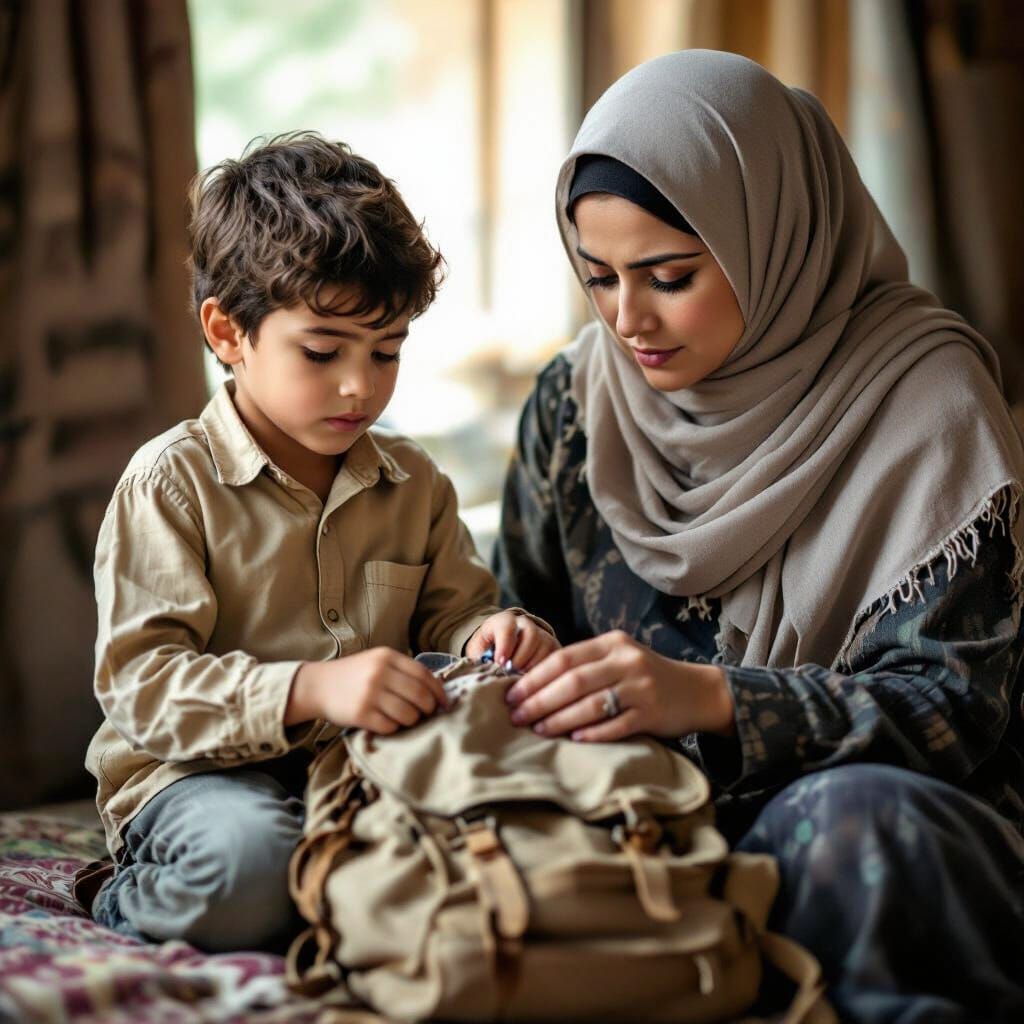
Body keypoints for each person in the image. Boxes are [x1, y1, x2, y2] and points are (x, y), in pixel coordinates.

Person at [493, 50, 1024, 1022]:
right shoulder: (578, 402)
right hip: (641, 808)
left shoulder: (927, 402)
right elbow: (510, 602)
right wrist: (509, 645)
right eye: (597, 276)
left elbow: (954, 713)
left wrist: (710, 700)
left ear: (769, 237)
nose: (626, 319)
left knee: (845, 827)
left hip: (870, 824)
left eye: (668, 275)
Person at [84, 132, 557, 953]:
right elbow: (144, 690)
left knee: (513, 843)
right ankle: (126, 895)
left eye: (387, 352)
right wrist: (309, 688)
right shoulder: (169, 485)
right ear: (228, 333)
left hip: (365, 767)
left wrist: (491, 635)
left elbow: (456, 618)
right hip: (196, 777)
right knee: (250, 869)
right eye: (322, 351)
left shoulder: (415, 484)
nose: (359, 386)